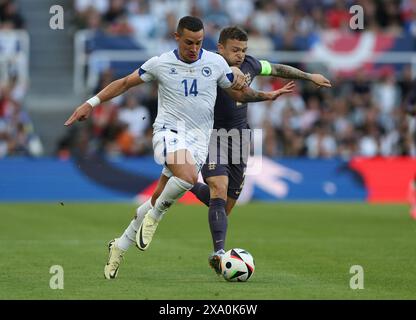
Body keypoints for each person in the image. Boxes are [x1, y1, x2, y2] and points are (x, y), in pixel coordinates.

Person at [64, 16, 295, 280]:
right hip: (169, 133)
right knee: (184, 179)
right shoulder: (161, 63)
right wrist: (90, 103)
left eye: (198, 43)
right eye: (188, 42)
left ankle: (120, 245)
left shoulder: (215, 62)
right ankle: (156, 217)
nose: (193, 48)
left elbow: (237, 92)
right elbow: (126, 83)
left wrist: (264, 95)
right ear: (176, 38)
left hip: (199, 141)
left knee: (156, 196)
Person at [187, 26, 332, 274]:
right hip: (211, 135)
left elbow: (277, 68)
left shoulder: (252, 65)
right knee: (219, 189)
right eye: (235, 50)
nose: (240, 55)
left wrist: (309, 76)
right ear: (220, 47)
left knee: (224, 204)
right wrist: (266, 94)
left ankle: (187, 182)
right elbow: (238, 92)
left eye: (244, 50)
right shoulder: (209, 66)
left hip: (241, 138)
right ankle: (219, 253)